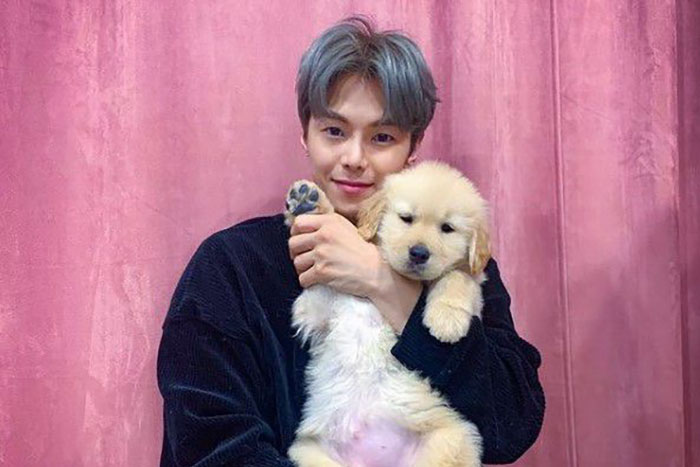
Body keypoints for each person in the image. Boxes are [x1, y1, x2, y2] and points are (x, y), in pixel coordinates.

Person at [157, 15, 545, 466]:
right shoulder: (231, 266)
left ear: (412, 147)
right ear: (305, 133)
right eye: (334, 131)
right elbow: (210, 443)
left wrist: (385, 285)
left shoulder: (452, 262)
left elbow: (511, 425)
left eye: (382, 137)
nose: (355, 158)